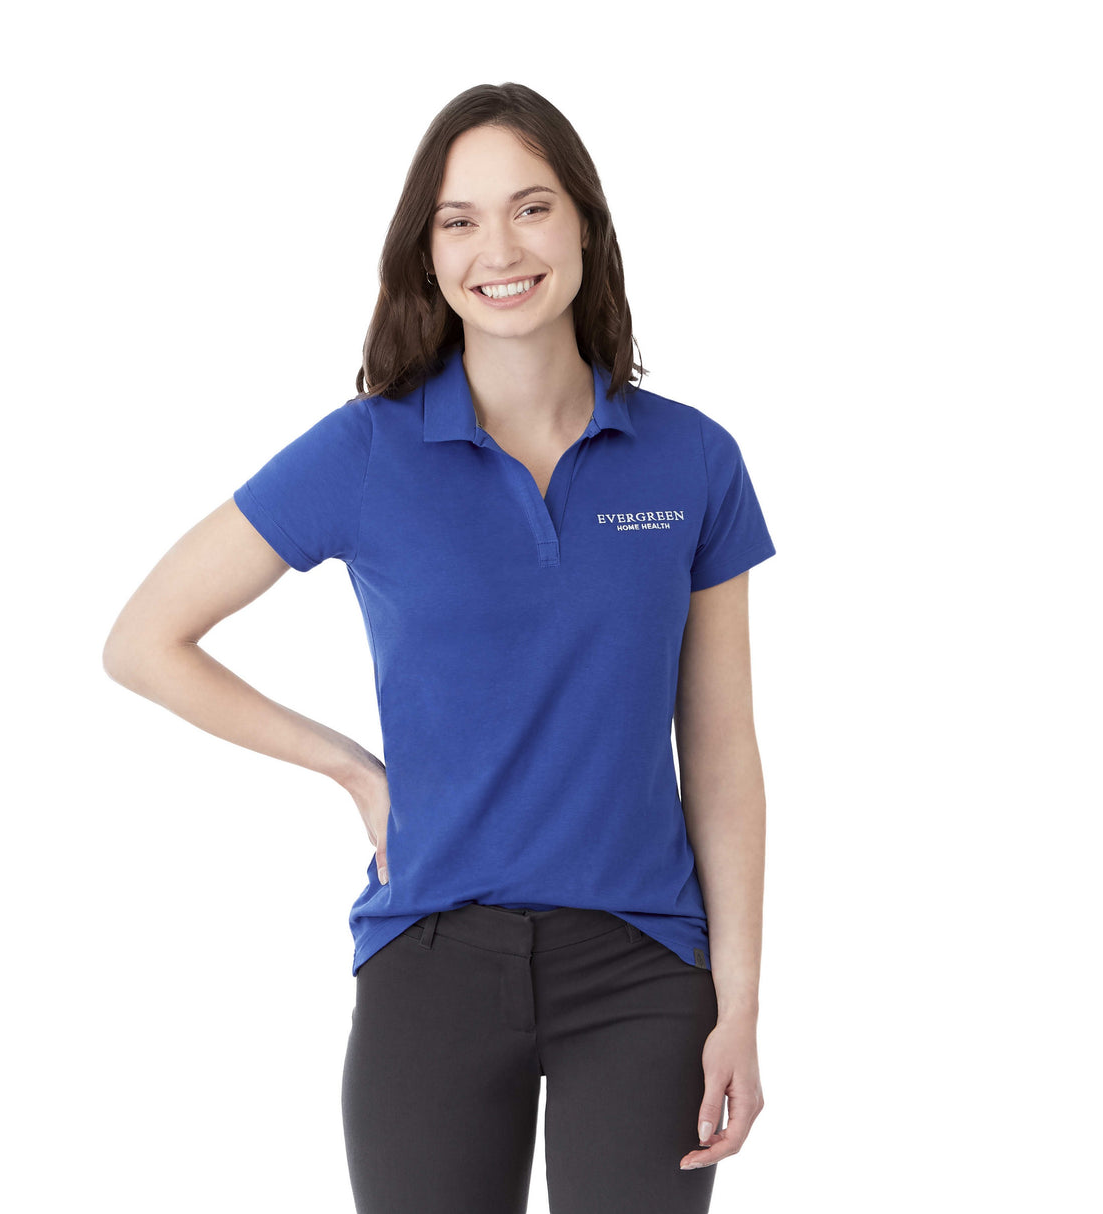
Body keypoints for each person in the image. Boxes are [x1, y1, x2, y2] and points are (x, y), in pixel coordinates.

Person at [104, 81, 774, 1214]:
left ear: (585, 225)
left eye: (531, 208)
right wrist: (351, 769)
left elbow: (719, 749)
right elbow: (143, 640)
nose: (498, 250)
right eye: (459, 220)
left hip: (644, 970)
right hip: (430, 960)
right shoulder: (365, 450)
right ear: (427, 252)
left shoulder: (692, 459)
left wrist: (740, 1005)